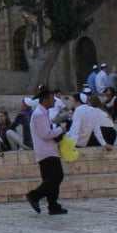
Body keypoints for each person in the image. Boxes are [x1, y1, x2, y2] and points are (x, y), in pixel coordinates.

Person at [23, 87, 69, 215]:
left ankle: (53, 206)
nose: (55, 101)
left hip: (48, 150)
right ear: (45, 100)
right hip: (46, 151)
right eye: (52, 98)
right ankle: (34, 195)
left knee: (50, 179)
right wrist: (61, 130)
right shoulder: (38, 114)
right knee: (57, 176)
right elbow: (45, 134)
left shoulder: (43, 113)